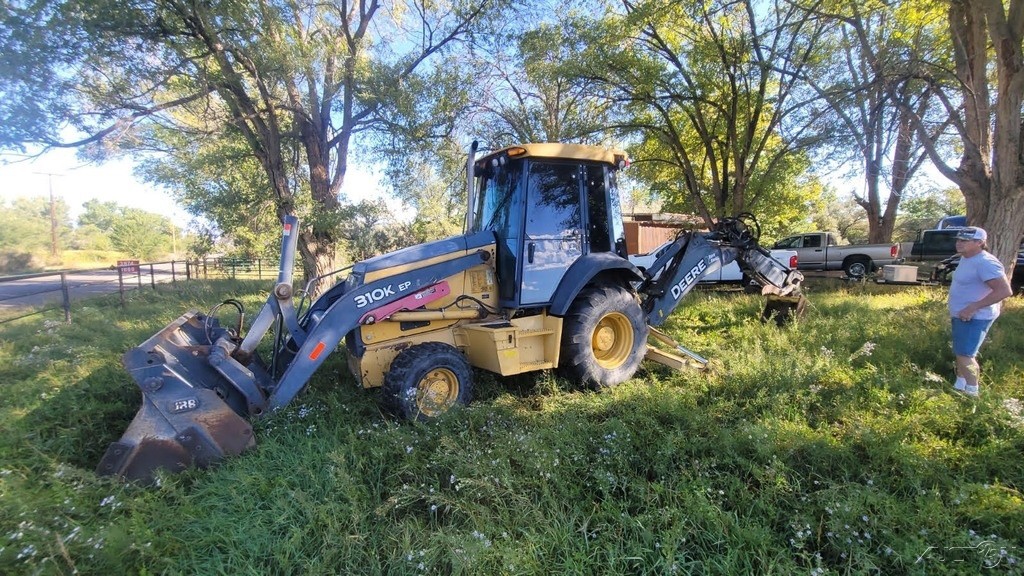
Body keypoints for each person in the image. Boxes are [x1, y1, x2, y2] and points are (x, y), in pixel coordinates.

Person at [947, 227, 1013, 397]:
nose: (959, 243)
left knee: (966, 354)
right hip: (961, 314)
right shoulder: (967, 258)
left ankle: (972, 393)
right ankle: (959, 386)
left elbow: (1004, 291)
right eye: (958, 240)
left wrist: (973, 307)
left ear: (980, 243)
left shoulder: (985, 262)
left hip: (974, 316)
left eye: (965, 241)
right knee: (961, 352)